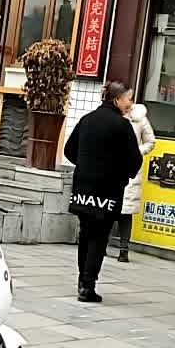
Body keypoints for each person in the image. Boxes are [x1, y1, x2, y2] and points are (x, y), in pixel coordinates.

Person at [64, 81, 143, 303]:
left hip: (83, 188)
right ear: (117, 99)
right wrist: (121, 175)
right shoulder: (122, 126)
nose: (131, 104)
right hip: (107, 190)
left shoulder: (87, 120)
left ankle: (82, 280)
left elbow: (69, 150)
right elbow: (134, 161)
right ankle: (88, 285)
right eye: (129, 98)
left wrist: (86, 166)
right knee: (99, 237)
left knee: (86, 233)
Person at [116, 101, 156, 262]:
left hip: (130, 168)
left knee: (126, 212)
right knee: (107, 209)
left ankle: (124, 249)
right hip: (109, 165)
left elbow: (150, 142)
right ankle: (101, 245)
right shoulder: (112, 116)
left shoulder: (139, 117)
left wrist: (136, 152)